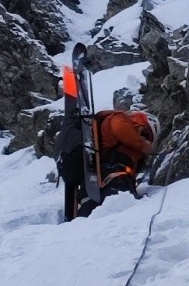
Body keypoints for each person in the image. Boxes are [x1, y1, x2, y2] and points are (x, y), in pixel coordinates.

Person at [57, 91, 158, 220]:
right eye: (146, 134)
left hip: (103, 177)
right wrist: (143, 145)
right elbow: (119, 129)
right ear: (140, 122)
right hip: (113, 176)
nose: (144, 138)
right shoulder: (120, 118)